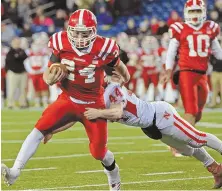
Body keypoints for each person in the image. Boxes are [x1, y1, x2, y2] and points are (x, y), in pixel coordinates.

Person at [1, 9, 130, 191]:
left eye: (84, 32)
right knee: (38, 130)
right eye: (75, 32)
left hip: (94, 103)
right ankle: (15, 171)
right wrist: (50, 77)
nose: (79, 37)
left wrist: (125, 77)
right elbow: (48, 71)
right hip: (68, 99)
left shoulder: (105, 47)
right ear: (69, 29)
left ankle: (113, 174)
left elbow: (119, 68)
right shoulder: (60, 41)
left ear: (93, 31)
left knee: (98, 153)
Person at [42, 74, 222, 189]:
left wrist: (99, 113)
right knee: (186, 149)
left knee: (196, 139)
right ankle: (215, 169)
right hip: (148, 126)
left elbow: (117, 111)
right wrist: (52, 130)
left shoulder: (111, 89)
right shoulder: (95, 97)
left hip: (160, 115)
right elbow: (76, 117)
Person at [160, 0, 222, 126]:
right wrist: (168, 70)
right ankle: (179, 145)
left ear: (204, 12)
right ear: (186, 12)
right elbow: (171, 52)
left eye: (198, 10)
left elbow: (218, 53)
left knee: (198, 113)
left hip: (203, 75)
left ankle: (177, 137)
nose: (195, 14)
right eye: (192, 11)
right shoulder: (180, 28)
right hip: (187, 73)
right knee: (191, 112)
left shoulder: (210, 27)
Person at [5, 37, 28, 109]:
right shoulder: (10, 51)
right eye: (16, 42)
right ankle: (10, 104)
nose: (17, 44)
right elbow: (9, 61)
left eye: (18, 42)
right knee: (11, 89)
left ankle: (23, 103)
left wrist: (18, 56)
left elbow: (25, 57)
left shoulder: (22, 50)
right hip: (13, 73)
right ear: (12, 43)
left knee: (23, 89)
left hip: (22, 72)